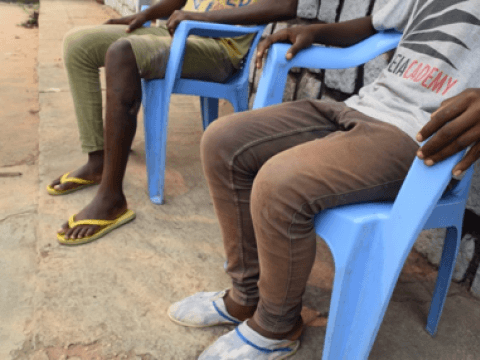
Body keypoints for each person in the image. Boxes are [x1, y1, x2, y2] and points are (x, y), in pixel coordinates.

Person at [167, 0, 480, 358]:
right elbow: (375, 24)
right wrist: (314, 32)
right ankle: (245, 295)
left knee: (280, 183)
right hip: (364, 105)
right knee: (222, 142)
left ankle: (276, 325)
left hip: (421, 136)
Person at [49, 0, 299, 245]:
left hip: (219, 45)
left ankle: (111, 198)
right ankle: (97, 161)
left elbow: (284, 6)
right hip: (177, 29)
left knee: (123, 54)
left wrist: (200, 19)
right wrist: (149, 14)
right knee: (78, 43)